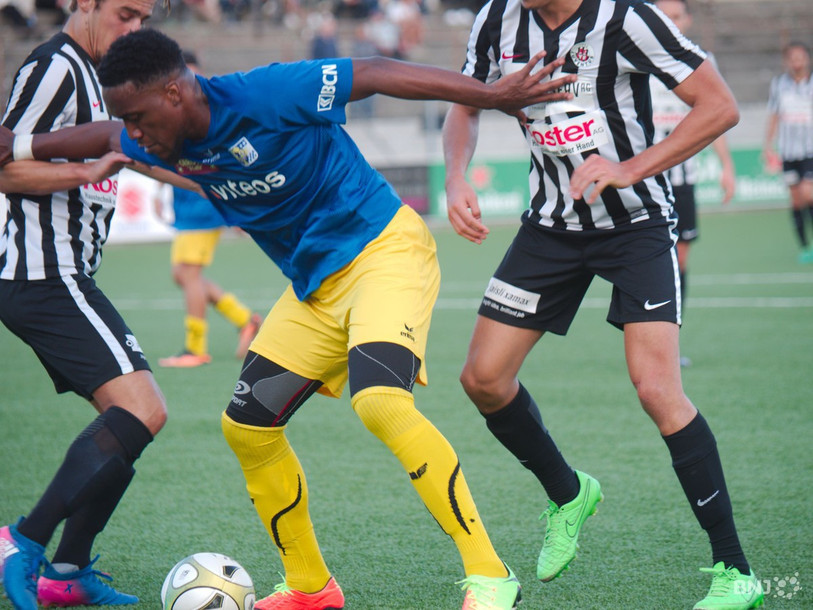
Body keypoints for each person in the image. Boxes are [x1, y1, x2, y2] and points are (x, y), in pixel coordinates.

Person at [0, 28, 579, 609]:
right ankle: (310, 588)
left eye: (139, 117)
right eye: (127, 120)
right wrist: (18, 146)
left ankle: (490, 573)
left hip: (384, 252)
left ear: (175, 93)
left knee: (380, 401)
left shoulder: (266, 94)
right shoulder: (150, 136)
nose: (134, 134)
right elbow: (104, 135)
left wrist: (491, 96)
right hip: (315, 290)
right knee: (247, 425)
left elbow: (375, 70)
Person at [441, 0, 762, 607]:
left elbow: (720, 106)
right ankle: (569, 495)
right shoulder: (495, 20)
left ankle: (735, 570)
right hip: (550, 227)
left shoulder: (628, 17)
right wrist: (457, 175)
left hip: (636, 224)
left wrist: (630, 167)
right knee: (483, 379)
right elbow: (465, 102)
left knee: (657, 389)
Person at [0, 0, 171, 608]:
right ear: (84, 4)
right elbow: (3, 164)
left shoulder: (101, 80)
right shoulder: (57, 67)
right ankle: (22, 541)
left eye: (146, 20)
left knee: (128, 425)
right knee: (144, 408)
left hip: (65, 276)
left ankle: (66, 575)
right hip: (43, 274)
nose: (136, 30)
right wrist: (84, 172)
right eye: (125, 14)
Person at [157, 50, 262, 369]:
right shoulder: (172, 109)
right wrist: (161, 187)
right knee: (184, 275)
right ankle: (246, 320)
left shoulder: (206, 109)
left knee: (188, 274)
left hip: (203, 205)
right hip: (185, 203)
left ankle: (195, 347)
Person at [650, 0, 736, 368]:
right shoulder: (634, 52)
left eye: (677, 15)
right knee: (643, 256)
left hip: (683, 175)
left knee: (679, 257)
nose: (672, 21)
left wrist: (726, 166)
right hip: (642, 175)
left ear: (688, 19)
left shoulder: (703, 61)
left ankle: (668, 345)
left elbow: (715, 114)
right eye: (664, 16)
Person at [764, 41, 813, 264]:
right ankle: (804, 246)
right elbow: (774, 115)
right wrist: (768, 145)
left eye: (800, 57)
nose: (796, 62)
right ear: (787, 61)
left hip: (810, 150)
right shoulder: (779, 84)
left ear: (807, 59)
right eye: (792, 58)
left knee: (808, 193)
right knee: (795, 201)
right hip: (789, 151)